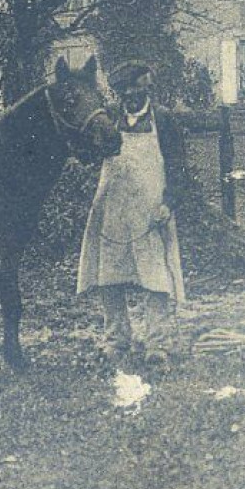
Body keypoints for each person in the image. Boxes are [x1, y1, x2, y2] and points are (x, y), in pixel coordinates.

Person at [76, 60, 189, 366]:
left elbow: (179, 166)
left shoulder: (163, 120)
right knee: (108, 276)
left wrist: (169, 202)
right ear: (121, 91)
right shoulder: (109, 118)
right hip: (112, 209)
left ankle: (157, 343)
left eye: (142, 88)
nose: (136, 94)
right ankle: (116, 340)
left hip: (151, 212)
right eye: (130, 89)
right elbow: (89, 156)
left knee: (155, 277)